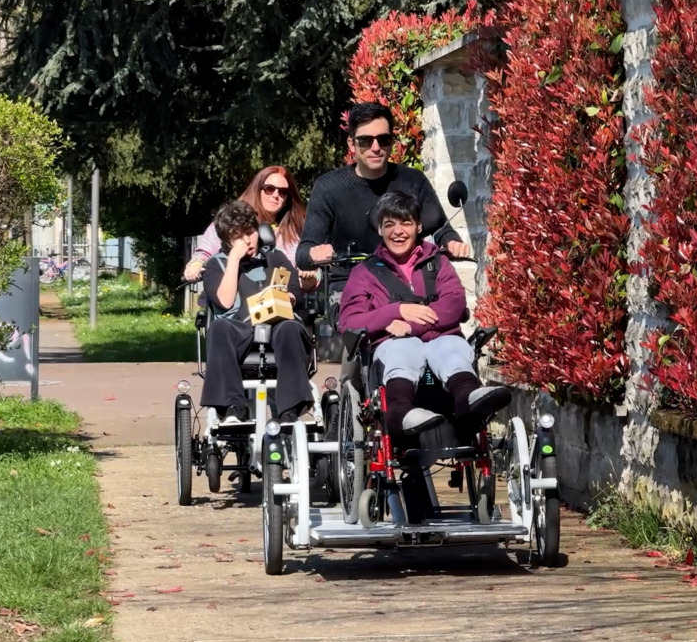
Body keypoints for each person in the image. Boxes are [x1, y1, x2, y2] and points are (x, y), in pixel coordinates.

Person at [338, 191, 508, 440]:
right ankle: (400, 412)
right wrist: (396, 310)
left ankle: (468, 398)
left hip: (441, 340)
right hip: (393, 346)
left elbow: (454, 304)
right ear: (380, 229)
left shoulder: (438, 262)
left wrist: (410, 325)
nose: (398, 231)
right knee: (403, 349)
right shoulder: (364, 273)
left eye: (405, 223)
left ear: (418, 226)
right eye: (389, 224)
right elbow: (350, 322)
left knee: (452, 348)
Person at [296, 102, 471, 300]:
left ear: (392, 141)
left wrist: (451, 242)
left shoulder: (413, 180)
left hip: (407, 284)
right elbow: (302, 253)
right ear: (351, 144)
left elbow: (440, 228)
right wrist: (315, 253)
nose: (376, 148)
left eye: (383, 139)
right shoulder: (329, 187)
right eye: (365, 141)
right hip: (351, 288)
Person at [200, 201, 313, 422]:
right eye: (237, 237)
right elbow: (224, 302)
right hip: (240, 328)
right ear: (227, 241)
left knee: (291, 328)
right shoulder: (216, 265)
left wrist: (286, 298)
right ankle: (232, 407)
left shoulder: (275, 257)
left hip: (277, 325)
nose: (246, 241)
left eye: (249, 233)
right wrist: (234, 259)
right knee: (219, 327)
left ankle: (289, 410)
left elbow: (296, 294)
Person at [184, 166, 317, 291]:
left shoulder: (297, 230)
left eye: (283, 192)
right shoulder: (232, 217)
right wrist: (195, 265)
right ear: (258, 189)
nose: (276, 195)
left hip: (277, 301)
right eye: (269, 189)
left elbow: (309, 276)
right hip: (233, 300)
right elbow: (204, 252)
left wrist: (309, 278)